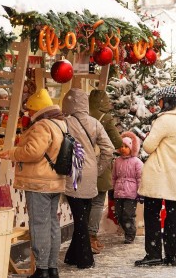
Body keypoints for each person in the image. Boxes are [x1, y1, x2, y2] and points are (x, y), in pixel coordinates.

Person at [0, 88, 66, 278]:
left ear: (37, 109)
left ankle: (42, 269)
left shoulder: (42, 126)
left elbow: (33, 152)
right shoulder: (60, 124)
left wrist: (12, 153)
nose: (27, 113)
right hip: (54, 181)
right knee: (52, 223)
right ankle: (52, 268)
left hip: (39, 182)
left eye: (29, 109)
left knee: (39, 224)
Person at [134, 86, 176, 267]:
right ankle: (172, 254)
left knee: (153, 213)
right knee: (174, 212)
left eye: (160, 100)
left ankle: (153, 253)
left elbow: (149, 146)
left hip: (159, 172)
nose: (158, 103)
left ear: (165, 100)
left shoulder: (165, 120)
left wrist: (147, 138)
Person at [61, 88, 114, 269]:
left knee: (80, 217)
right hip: (91, 172)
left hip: (73, 172)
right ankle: (73, 255)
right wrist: (98, 168)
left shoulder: (65, 123)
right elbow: (109, 149)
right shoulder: (94, 123)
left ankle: (85, 258)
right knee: (83, 214)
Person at [87, 89, 123, 254]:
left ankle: (83, 237)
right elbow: (117, 142)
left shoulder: (82, 116)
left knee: (85, 203)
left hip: (83, 164)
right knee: (97, 202)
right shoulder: (105, 118)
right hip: (99, 162)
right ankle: (91, 237)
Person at [112, 131, 143, 244]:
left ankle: (130, 234)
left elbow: (140, 178)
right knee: (119, 214)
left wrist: (140, 192)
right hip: (119, 192)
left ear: (132, 148)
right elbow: (114, 177)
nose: (123, 149)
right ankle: (127, 231)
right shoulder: (117, 161)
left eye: (126, 146)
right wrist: (112, 189)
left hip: (131, 193)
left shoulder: (137, 162)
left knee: (128, 215)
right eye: (121, 146)